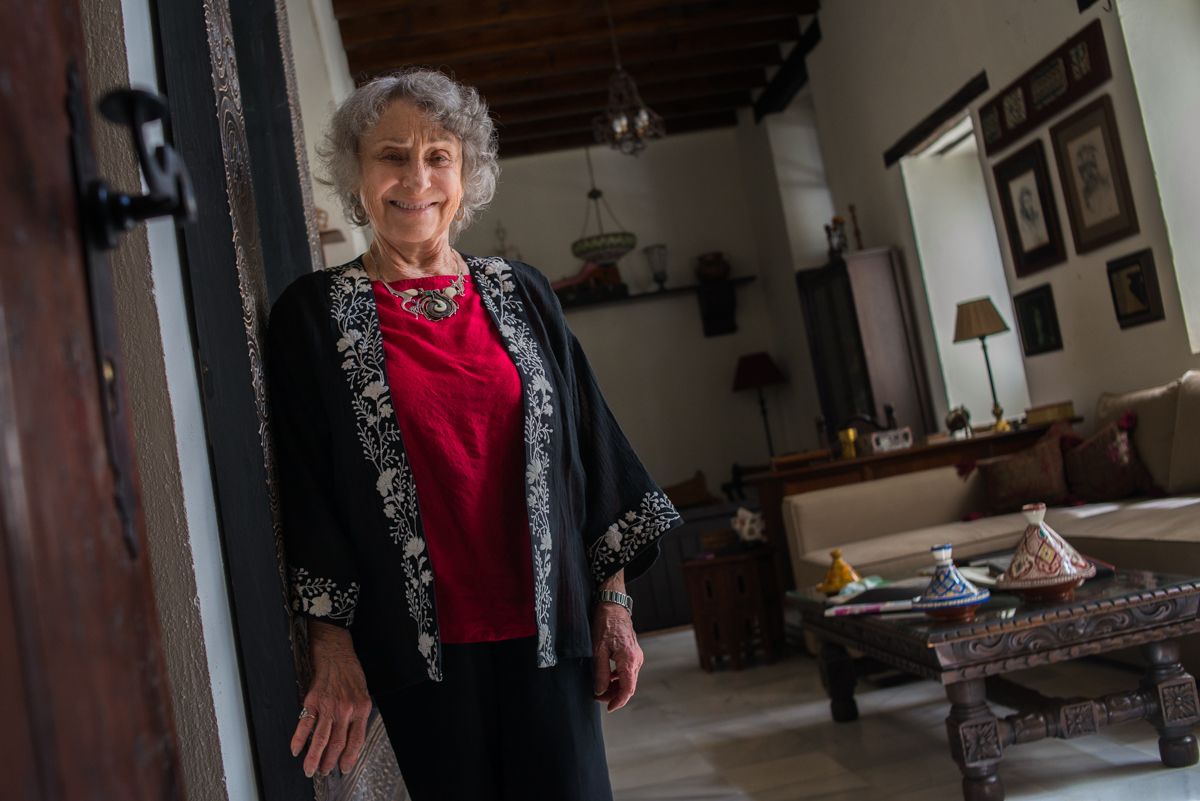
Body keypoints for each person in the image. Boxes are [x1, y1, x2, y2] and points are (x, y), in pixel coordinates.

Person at [266, 68, 680, 801]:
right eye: (392, 156)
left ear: (467, 175)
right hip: (415, 657)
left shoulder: (524, 293)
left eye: (439, 157)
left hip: (550, 638)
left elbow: (591, 455)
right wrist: (330, 643)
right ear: (357, 174)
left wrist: (614, 604)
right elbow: (305, 489)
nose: (416, 179)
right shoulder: (313, 314)